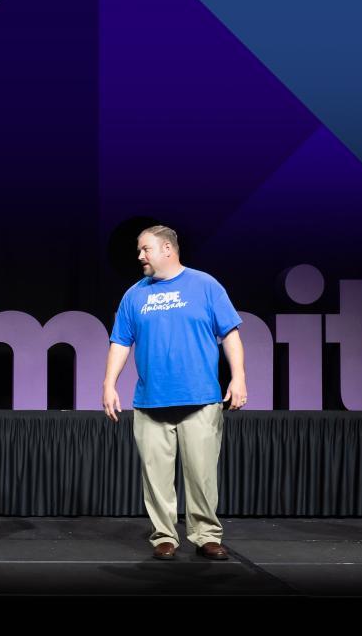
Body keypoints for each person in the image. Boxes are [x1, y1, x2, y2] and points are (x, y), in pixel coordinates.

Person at [102, 226, 246, 560]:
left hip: (200, 399)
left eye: (145, 249)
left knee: (202, 474)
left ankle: (205, 534)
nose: (140, 256)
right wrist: (108, 384)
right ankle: (164, 536)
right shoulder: (134, 294)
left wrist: (238, 378)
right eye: (139, 251)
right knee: (156, 476)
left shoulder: (205, 285)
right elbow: (120, 342)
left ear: (167, 248)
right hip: (151, 401)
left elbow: (230, 335)